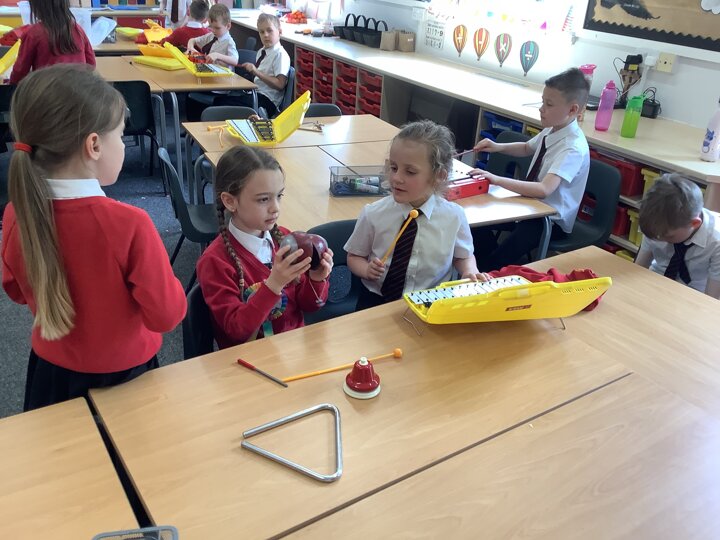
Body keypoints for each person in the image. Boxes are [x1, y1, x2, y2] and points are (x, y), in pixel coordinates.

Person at [1, 65, 186, 411]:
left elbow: (16, 291)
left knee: (63, 447)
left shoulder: (16, 212)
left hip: (51, 373)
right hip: (126, 377)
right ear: (94, 145)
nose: (123, 144)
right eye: (121, 135)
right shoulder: (130, 224)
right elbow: (166, 316)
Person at [196, 146, 333, 348]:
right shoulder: (214, 262)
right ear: (230, 201)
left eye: (279, 196)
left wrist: (316, 279)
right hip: (249, 358)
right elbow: (236, 331)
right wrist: (274, 284)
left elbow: (309, 306)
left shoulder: (285, 240)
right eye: (263, 199)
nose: (275, 208)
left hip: (294, 349)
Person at [345, 120, 487, 311]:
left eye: (410, 172)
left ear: (439, 176)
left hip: (431, 301)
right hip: (375, 301)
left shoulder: (454, 217)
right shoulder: (374, 213)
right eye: (393, 168)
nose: (396, 178)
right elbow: (354, 256)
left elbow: (463, 256)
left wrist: (469, 271)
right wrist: (366, 270)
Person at [469, 67, 591, 271]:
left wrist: (496, 179)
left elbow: (544, 190)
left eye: (549, 104)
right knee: (475, 223)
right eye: (543, 102)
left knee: (502, 255)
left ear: (572, 110)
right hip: (530, 205)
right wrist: (497, 146)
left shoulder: (573, 148)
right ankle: (485, 263)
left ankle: (490, 268)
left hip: (550, 219)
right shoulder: (553, 129)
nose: (542, 109)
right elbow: (527, 148)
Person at [635, 173, 720, 299]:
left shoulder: (716, 241)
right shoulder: (657, 224)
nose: (660, 240)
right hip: (656, 281)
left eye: (669, 237)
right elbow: (637, 268)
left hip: (694, 295)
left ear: (694, 223)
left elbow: (712, 299)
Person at [214, 13, 290, 118]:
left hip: (267, 101)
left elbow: (280, 84)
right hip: (255, 94)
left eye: (269, 30)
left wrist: (256, 71)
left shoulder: (280, 54)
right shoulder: (261, 52)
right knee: (219, 100)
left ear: (279, 32)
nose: (265, 35)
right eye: (262, 32)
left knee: (221, 106)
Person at [9, 0, 95, 85]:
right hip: (78, 88)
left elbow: (20, 71)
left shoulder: (33, 33)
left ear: (36, 7)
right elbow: (91, 64)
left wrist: (11, 85)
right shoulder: (78, 29)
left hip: (47, 89)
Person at [185, 3, 239, 121]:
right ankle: (192, 125)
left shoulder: (229, 42)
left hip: (220, 86)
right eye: (211, 27)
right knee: (189, 93)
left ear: (228, 26)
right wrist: (191, 48)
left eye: (217, 28)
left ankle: (197, 124)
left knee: (192, 96)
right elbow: (192, 40)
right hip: (208, 79)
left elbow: (235, 60)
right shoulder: (210, 36)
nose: (213, 30)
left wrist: (218, 55)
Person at [137, 0, 209, 47]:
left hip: (182, 24)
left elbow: (163, 43)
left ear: (188, 12)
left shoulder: (179, 32)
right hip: (170, 24)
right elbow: (163, 2)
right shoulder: (208, 34)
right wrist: (161, 8)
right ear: (205, 19)